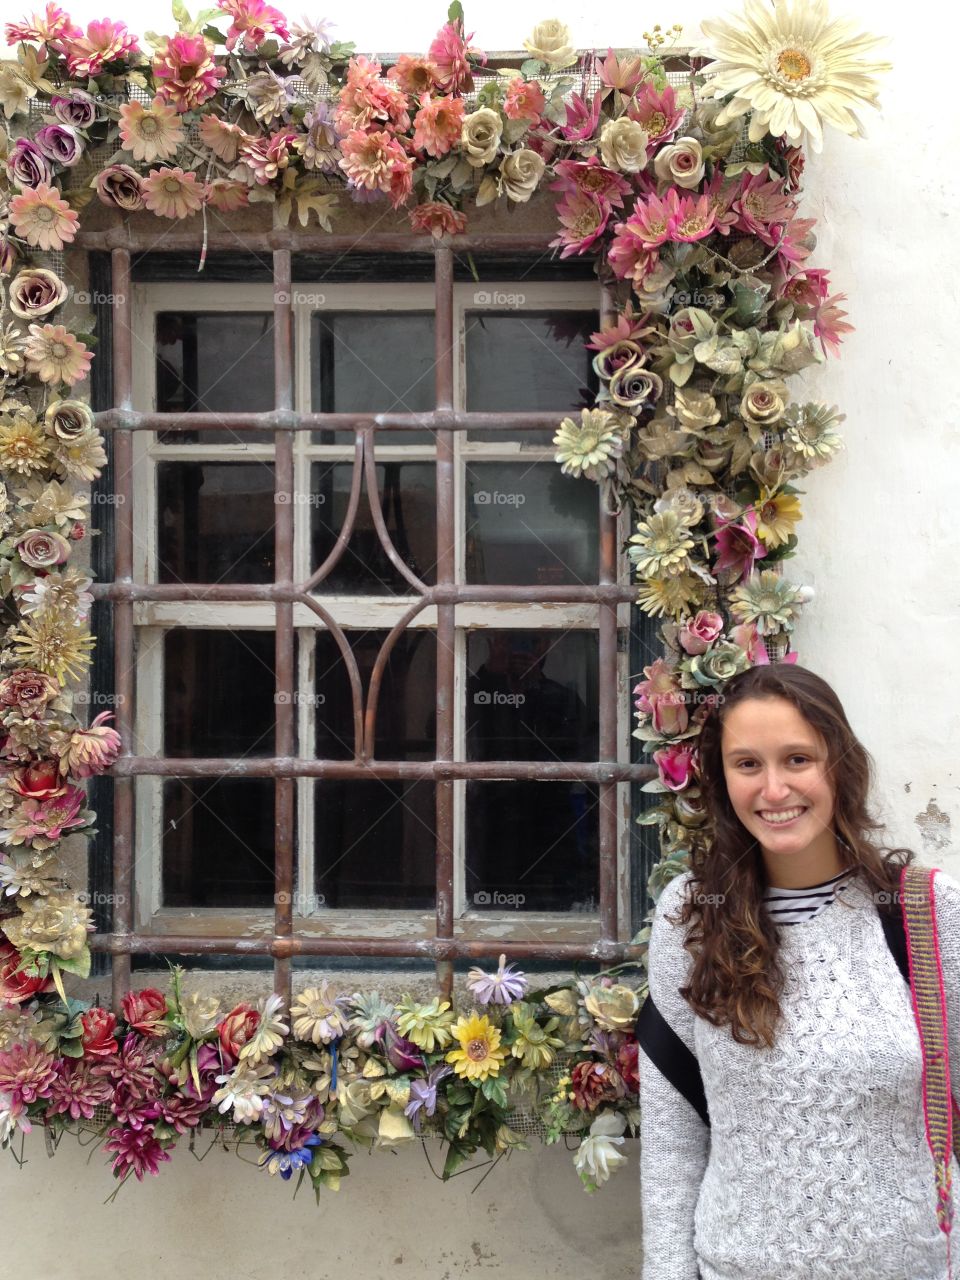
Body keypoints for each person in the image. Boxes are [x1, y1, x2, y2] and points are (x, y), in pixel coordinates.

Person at [638, 662, 960, 1280]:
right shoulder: (689, 915)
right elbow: (673, 1136)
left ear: (839, 763)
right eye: (748, 764)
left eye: (797, 759)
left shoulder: (923, 913)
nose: (775, 791)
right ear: (723, 778)